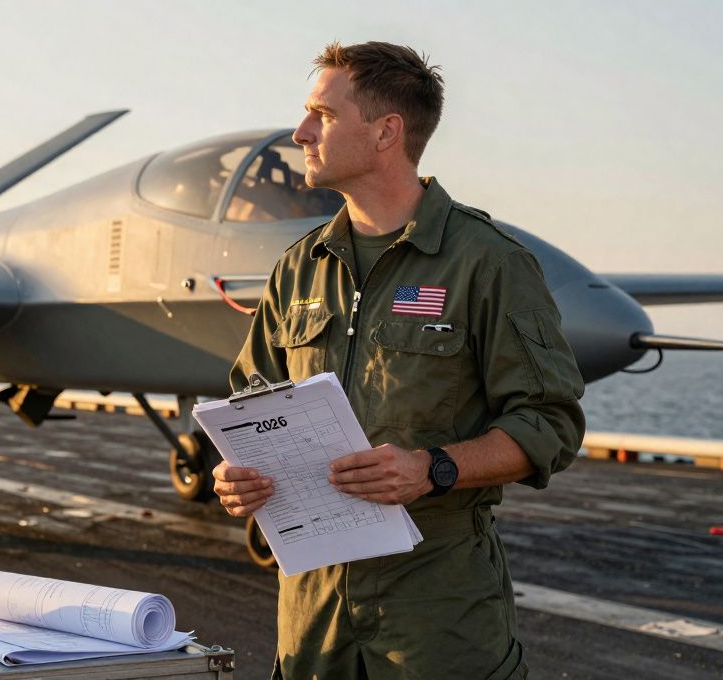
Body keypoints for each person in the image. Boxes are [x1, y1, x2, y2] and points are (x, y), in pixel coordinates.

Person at [212, 41, 585, 679]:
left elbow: (551, 423)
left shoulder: (488, 263)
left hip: (436, 607)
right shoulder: (300, 268)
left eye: (322, 116)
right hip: (311, 612)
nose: (300, 133)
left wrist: (433, 467)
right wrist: (236, 478)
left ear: (387, 132)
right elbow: (250, 404)